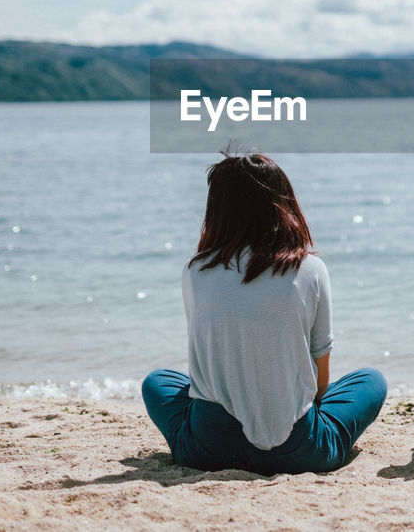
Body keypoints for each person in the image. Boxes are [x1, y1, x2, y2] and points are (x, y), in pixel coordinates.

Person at [141, 150, 387, 474]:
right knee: (371, 380)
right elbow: (320, 377)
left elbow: (212, 356)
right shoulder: (310, 269)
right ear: (284, 205)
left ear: (218, 211)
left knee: (157, 381)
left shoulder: (195, 271)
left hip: (209, 449)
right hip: (299, 451)